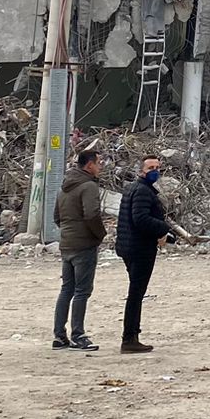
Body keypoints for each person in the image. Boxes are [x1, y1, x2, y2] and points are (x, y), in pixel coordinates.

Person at [115, 155, 179, 354]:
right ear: (141, 170)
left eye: (157, 167)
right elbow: (141, 219)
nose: (155, 171)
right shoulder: (142, 191)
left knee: (136, 293)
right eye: (151, 167)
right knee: (136, 294)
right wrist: (164, 228)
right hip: (139, 248)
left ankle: (132, 334)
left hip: (130, 246)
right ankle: (130, 337)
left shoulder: (133, 189)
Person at [52, 148, 105, 351]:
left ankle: (59, 335)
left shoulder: (64, 187)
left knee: (66, 289)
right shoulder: (88, 186)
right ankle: (78, 335)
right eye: (98, 162)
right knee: (82, 291)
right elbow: (92, 215)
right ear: (89, 164)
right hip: (84, 245)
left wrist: (68, 231)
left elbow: (57, 217)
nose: (100, 166)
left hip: (67, 244)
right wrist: (99, 235)